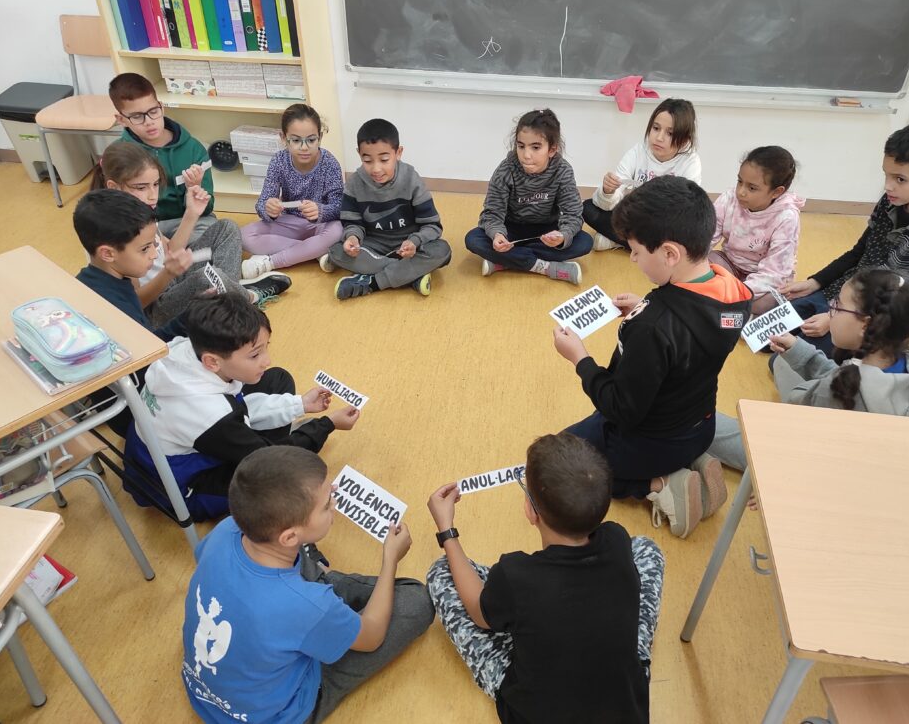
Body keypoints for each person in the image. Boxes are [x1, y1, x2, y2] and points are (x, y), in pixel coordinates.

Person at [552, 176, 753, 538]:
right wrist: (646, 307)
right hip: (699, 426)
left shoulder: (653, 327)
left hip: (650, 440)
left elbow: (621, 408)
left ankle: (660, 484)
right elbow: (687, 328)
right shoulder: (734, 292)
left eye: (635, 250)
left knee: (558, 466)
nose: (631, 258)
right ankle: (690, 460)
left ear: (670, 254)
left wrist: (580, 359)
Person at [182, 446, 434, 724]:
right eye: (327, 504)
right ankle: (329, 600)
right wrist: (390, 559)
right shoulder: (307, 605)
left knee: (304, 579)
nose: (334, 503)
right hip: (276, 716)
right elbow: (372, 637)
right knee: (416, 601)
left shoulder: (226, 529)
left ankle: (324, 591)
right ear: (289, 537)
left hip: (204, 694)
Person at [426, 433, 663, 724]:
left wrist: (447, 531)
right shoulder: (617, 538)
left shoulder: (515, 576)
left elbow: (478, 613)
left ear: (530, 510)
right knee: (646, 549)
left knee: (442, 572)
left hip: (534, 714)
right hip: (625, 708)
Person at [123, 292, 360, 520]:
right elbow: (271, 462)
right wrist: (327, 424)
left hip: (171, 448)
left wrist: (300, 404)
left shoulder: (184, 347)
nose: (267, 360)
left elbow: (234, 406)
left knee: (278, 379)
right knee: (276, 481)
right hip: (185, 491)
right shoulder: (211, 416)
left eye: (266, 347)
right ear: (212, 362)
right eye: (255, 355)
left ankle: (275, 436)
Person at [709, 269, 909, 472]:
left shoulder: (834, 391)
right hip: (849, 451)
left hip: (809, 462)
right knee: (783, 362)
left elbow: (810, 427)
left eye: (837, 306)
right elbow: (846, 379)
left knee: (700, 425)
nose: (830, 310)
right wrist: (797, 349)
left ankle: (701, 459)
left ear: (865, 324)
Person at [781, 118, 909, 356]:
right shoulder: (894, 198)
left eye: (900, 179)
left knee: (785, 360)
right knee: (765, 336)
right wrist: (816, 282)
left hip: (870, 319)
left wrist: (834, 318)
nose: (888, 186)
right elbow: (859, 251)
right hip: (843, 293)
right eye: (886, 175)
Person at [92, 142, 290, 325]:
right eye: (141, 187)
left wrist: (191, 213)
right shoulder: (115, 231)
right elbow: (137, 303)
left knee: (227, 228)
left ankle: (227, 294)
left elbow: (169, 251)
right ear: (114, 187)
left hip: (171, 278)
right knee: (206, 277)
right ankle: (247, 297)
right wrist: (168, 274)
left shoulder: (140, 211)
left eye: (156, 184)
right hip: (154, 308)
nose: (153, 195)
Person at [323, 118, 451, 300]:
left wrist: (414, 241)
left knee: (442, 250)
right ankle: (409, 275)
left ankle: (373, 282)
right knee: (336, 252)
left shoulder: (411, 179)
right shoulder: (354, 183)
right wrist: (352, 238)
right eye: (367, 160)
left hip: (409, 245)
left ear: (398, 153)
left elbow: (432, 226)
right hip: (373, 245)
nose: (376, 169)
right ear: (359, 154)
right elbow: (352, 223)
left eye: (384, 160)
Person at [464, 108, 592, 284]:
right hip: (511, 229)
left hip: (547, 231)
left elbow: (573, 214)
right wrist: (497, 235)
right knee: (473, 239)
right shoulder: (505, 170)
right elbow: (492, 213)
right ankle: (544, 267)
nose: (526, 155)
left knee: (584, 242)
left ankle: (507, 261)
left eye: (536, 147)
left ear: (552, 149)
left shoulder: (563, 171)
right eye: (521, 146)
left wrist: (562, 236)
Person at [240, 104, 345, 279]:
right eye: (296, 140)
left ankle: (271, 262)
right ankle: (315, 251)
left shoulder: (330, 163)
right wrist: (268, 208)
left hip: (320, 225)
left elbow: (339, 206)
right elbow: (263, 202)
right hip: (289, 222)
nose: (304, 147)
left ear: (319, 137)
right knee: (244, 235)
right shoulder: (279, 161)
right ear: (284, 138)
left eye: (311, 140)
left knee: (337, 231)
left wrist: (321, 211)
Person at [583, 98, 702, 251]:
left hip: (663, 226)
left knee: (682, 234)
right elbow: (610, 202)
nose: (659, 138)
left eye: (670, 133)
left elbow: (686, 211)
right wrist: (608, 191)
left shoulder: (690, 162)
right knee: (588, 208)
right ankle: (641, 247)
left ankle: (621, 241)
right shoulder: (639, 151)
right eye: (656, 128)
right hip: (635, 218)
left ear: (685, 139)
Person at [109, 72, 216, 239]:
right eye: (137, 116)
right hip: (141, 226)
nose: (149, 121)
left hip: (187, 221)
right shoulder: (118, 154)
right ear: (121, 120)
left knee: (216, 229)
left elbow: (206, 209)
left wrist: (195, 188)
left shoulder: (193, 149)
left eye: (153, 111)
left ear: (161, 106)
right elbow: (115, 210)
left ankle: (171, 253)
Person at [74, 188, 186, 342]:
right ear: (107, 254)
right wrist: (189, 320)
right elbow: (151, 349)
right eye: (145, 248)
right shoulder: (117, 309)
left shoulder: (90, 280)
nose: (154, 254)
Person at [709, 146, 803, 316]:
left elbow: (775, 273)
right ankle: (731, 305)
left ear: (776, 192)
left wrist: (738, 291)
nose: (741, 192)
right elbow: (707, 236)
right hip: (731, 265)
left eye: (752, 188)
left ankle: (728, 306)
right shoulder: (729, 199)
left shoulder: (786, 217)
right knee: (704, 261)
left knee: (771, 301)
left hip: (765, 280)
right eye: (739, 182)